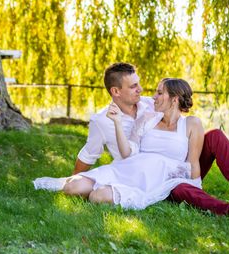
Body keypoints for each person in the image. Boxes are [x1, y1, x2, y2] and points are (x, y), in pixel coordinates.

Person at [34, 62, 229, 224]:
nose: (145, 93)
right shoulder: (141, 115)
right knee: (178, 190)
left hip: (181, 172)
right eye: (137, 87)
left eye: (156, 92)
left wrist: (182, 175)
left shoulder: (158, 110)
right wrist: (78, 176)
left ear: (173, 99)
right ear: (116, 92)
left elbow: (193, 168)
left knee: (215, 139)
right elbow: (93, 153)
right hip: (144, 173)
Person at [63, 78, 204, 211]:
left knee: (97, 196)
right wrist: (117, 122)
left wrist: (195, 190)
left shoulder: (191, 123)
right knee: (71, 187)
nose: (154, 97)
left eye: (159, 93)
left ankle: (110, 192)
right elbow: (127, 152)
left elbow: (193, 163)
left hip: (151, 180)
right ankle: (105, 187)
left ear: (174, 100)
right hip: (129, 169)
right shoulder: (148, 119)